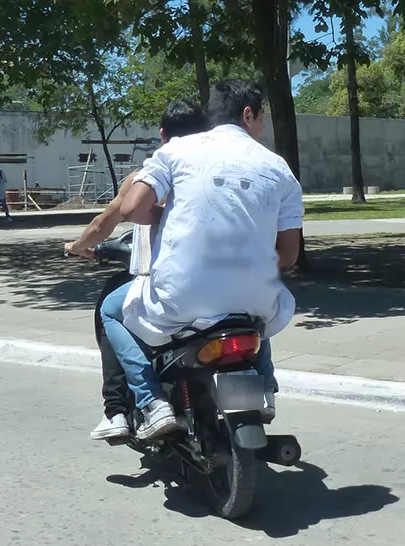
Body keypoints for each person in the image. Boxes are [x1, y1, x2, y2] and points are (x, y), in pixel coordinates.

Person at [102, 79, 304, 440]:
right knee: (258, 305)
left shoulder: (177, 151)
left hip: (180, 298)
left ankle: (151, 402)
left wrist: (161, 216)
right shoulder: (280, 168)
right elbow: (288, 255)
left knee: (110, 310)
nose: (263, 126)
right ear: (247, 114)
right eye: (262, 118)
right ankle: (264, 390)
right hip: (255, 299)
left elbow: (131, 208)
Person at [64, 98, 210, 441]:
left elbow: (105, 223)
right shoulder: (216, 173)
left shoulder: (148, 175)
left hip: (163, 286)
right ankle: (265, 385)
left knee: (110, 311)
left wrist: (76, 247)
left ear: (162, 135)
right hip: (217, 282)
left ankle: (119, 410)